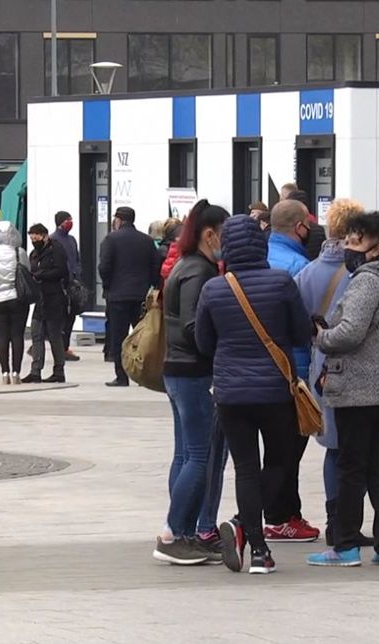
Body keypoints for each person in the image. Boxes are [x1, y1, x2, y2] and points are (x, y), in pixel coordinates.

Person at [195, 215, 311, 575]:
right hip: (275, 390)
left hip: (230, 392)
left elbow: (203, 343)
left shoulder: (213, 289)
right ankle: (244, 527)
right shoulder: (281, 282)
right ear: (261, 245)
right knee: (279, 460)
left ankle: (257, 548)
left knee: (244, 468)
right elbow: (300, 333)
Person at [307, 210, 379, 568]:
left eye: (355, 242)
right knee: (378, 466)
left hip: (358, 388)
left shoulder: (366, 282)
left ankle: (347, 544)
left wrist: (322, 337)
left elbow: (350, 332)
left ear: (375, 248)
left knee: (351, 467)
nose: (347, 248)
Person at [153, 202, 229, 565]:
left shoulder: (183, 266)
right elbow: (194, 327)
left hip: (177, 370)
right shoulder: (199, 271)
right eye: (223, 234)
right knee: (200, 455)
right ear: (209, 233)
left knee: (185, 454)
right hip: (193, 371)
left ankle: (181, 532)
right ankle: (173, 533)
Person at [294, 198, 373, 549]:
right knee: (360, 447)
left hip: (318, 367)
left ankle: (333, 518)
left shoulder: (305, 273)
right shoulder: (361, 273)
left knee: (333, 447)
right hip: (356, 364)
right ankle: (349, 522)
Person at [263, 198, 320, 543]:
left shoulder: (257, 258)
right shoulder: (300, 266)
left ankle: (280, 513)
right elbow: (305, 323)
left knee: (272, 447)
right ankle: (281, 515)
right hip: (292, 365)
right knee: (288, 448)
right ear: (300, 227)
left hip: (254, 366)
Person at [99, 206, 161, 387]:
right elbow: (155, 265)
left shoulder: (110, 239)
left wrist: (108, 286)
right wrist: (150, 285)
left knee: (119, 336)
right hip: (141, 295)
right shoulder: (146, 240)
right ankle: (143, 374)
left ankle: (122, 376)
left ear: (118, 220)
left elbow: (104, 267)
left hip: (117, 296)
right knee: (142, 336)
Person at [24, 223, 69, 384]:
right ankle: (35, 371)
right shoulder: (34, 254)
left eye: (36, 236)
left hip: (55, 298)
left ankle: (59, 371)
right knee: (36, 334)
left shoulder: (56, 249)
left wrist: (41, 274)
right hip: (40, 299)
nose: (33, 239)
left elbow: (62, 270)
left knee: (54, 335)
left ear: (44, 236)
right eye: (31, 237)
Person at [0, 220, 30, 384]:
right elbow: (27, 272)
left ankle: (4, 372)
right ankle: (16, 372)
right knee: (17, 335)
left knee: (2, 335)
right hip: (17, 297)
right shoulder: (20, 252)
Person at [50, 211, 83, 361]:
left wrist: (77, 273)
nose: (70, 222)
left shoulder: (71, 240)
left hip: (73, 284)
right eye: (67, 220)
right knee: (60, 317)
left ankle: (65, 346)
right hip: (60, 284)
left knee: (71, 316)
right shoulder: (53, 239)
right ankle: (59, 348)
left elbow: (76, 258)